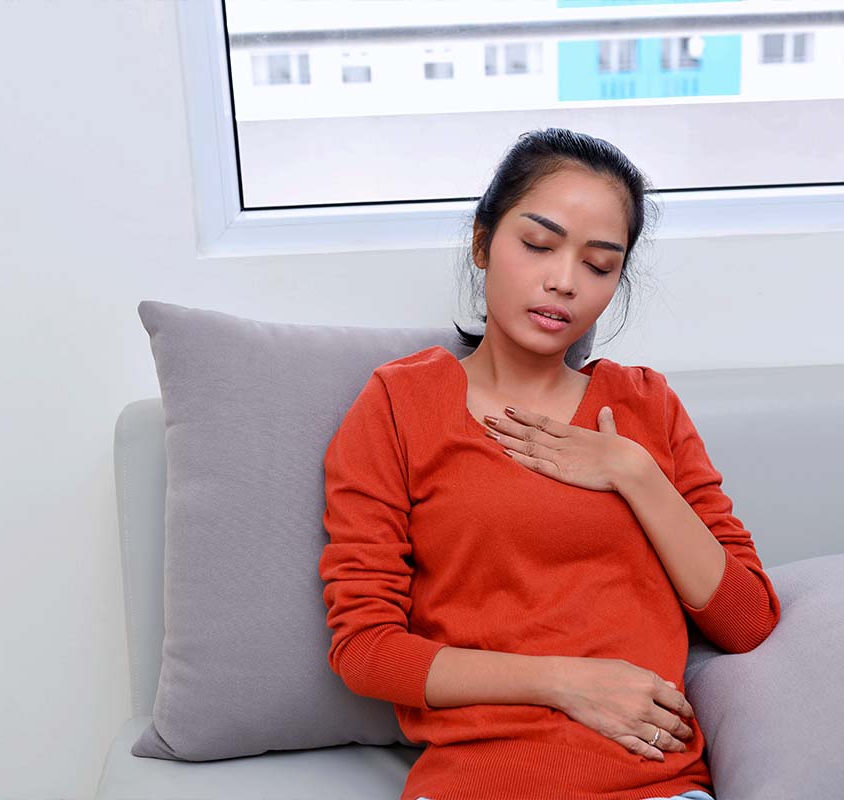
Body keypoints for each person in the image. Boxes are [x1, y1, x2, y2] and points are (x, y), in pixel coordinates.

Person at [318, 128, 781, 800]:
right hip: (477, 783)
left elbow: (748, 622)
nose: (564, 281)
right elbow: (365, 650)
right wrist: (565, 681)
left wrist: (634, 474)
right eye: (538, 245)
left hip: (653, 785)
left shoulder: (645, 406)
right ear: (482, 243)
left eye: (598, 265)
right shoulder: (400, 403)